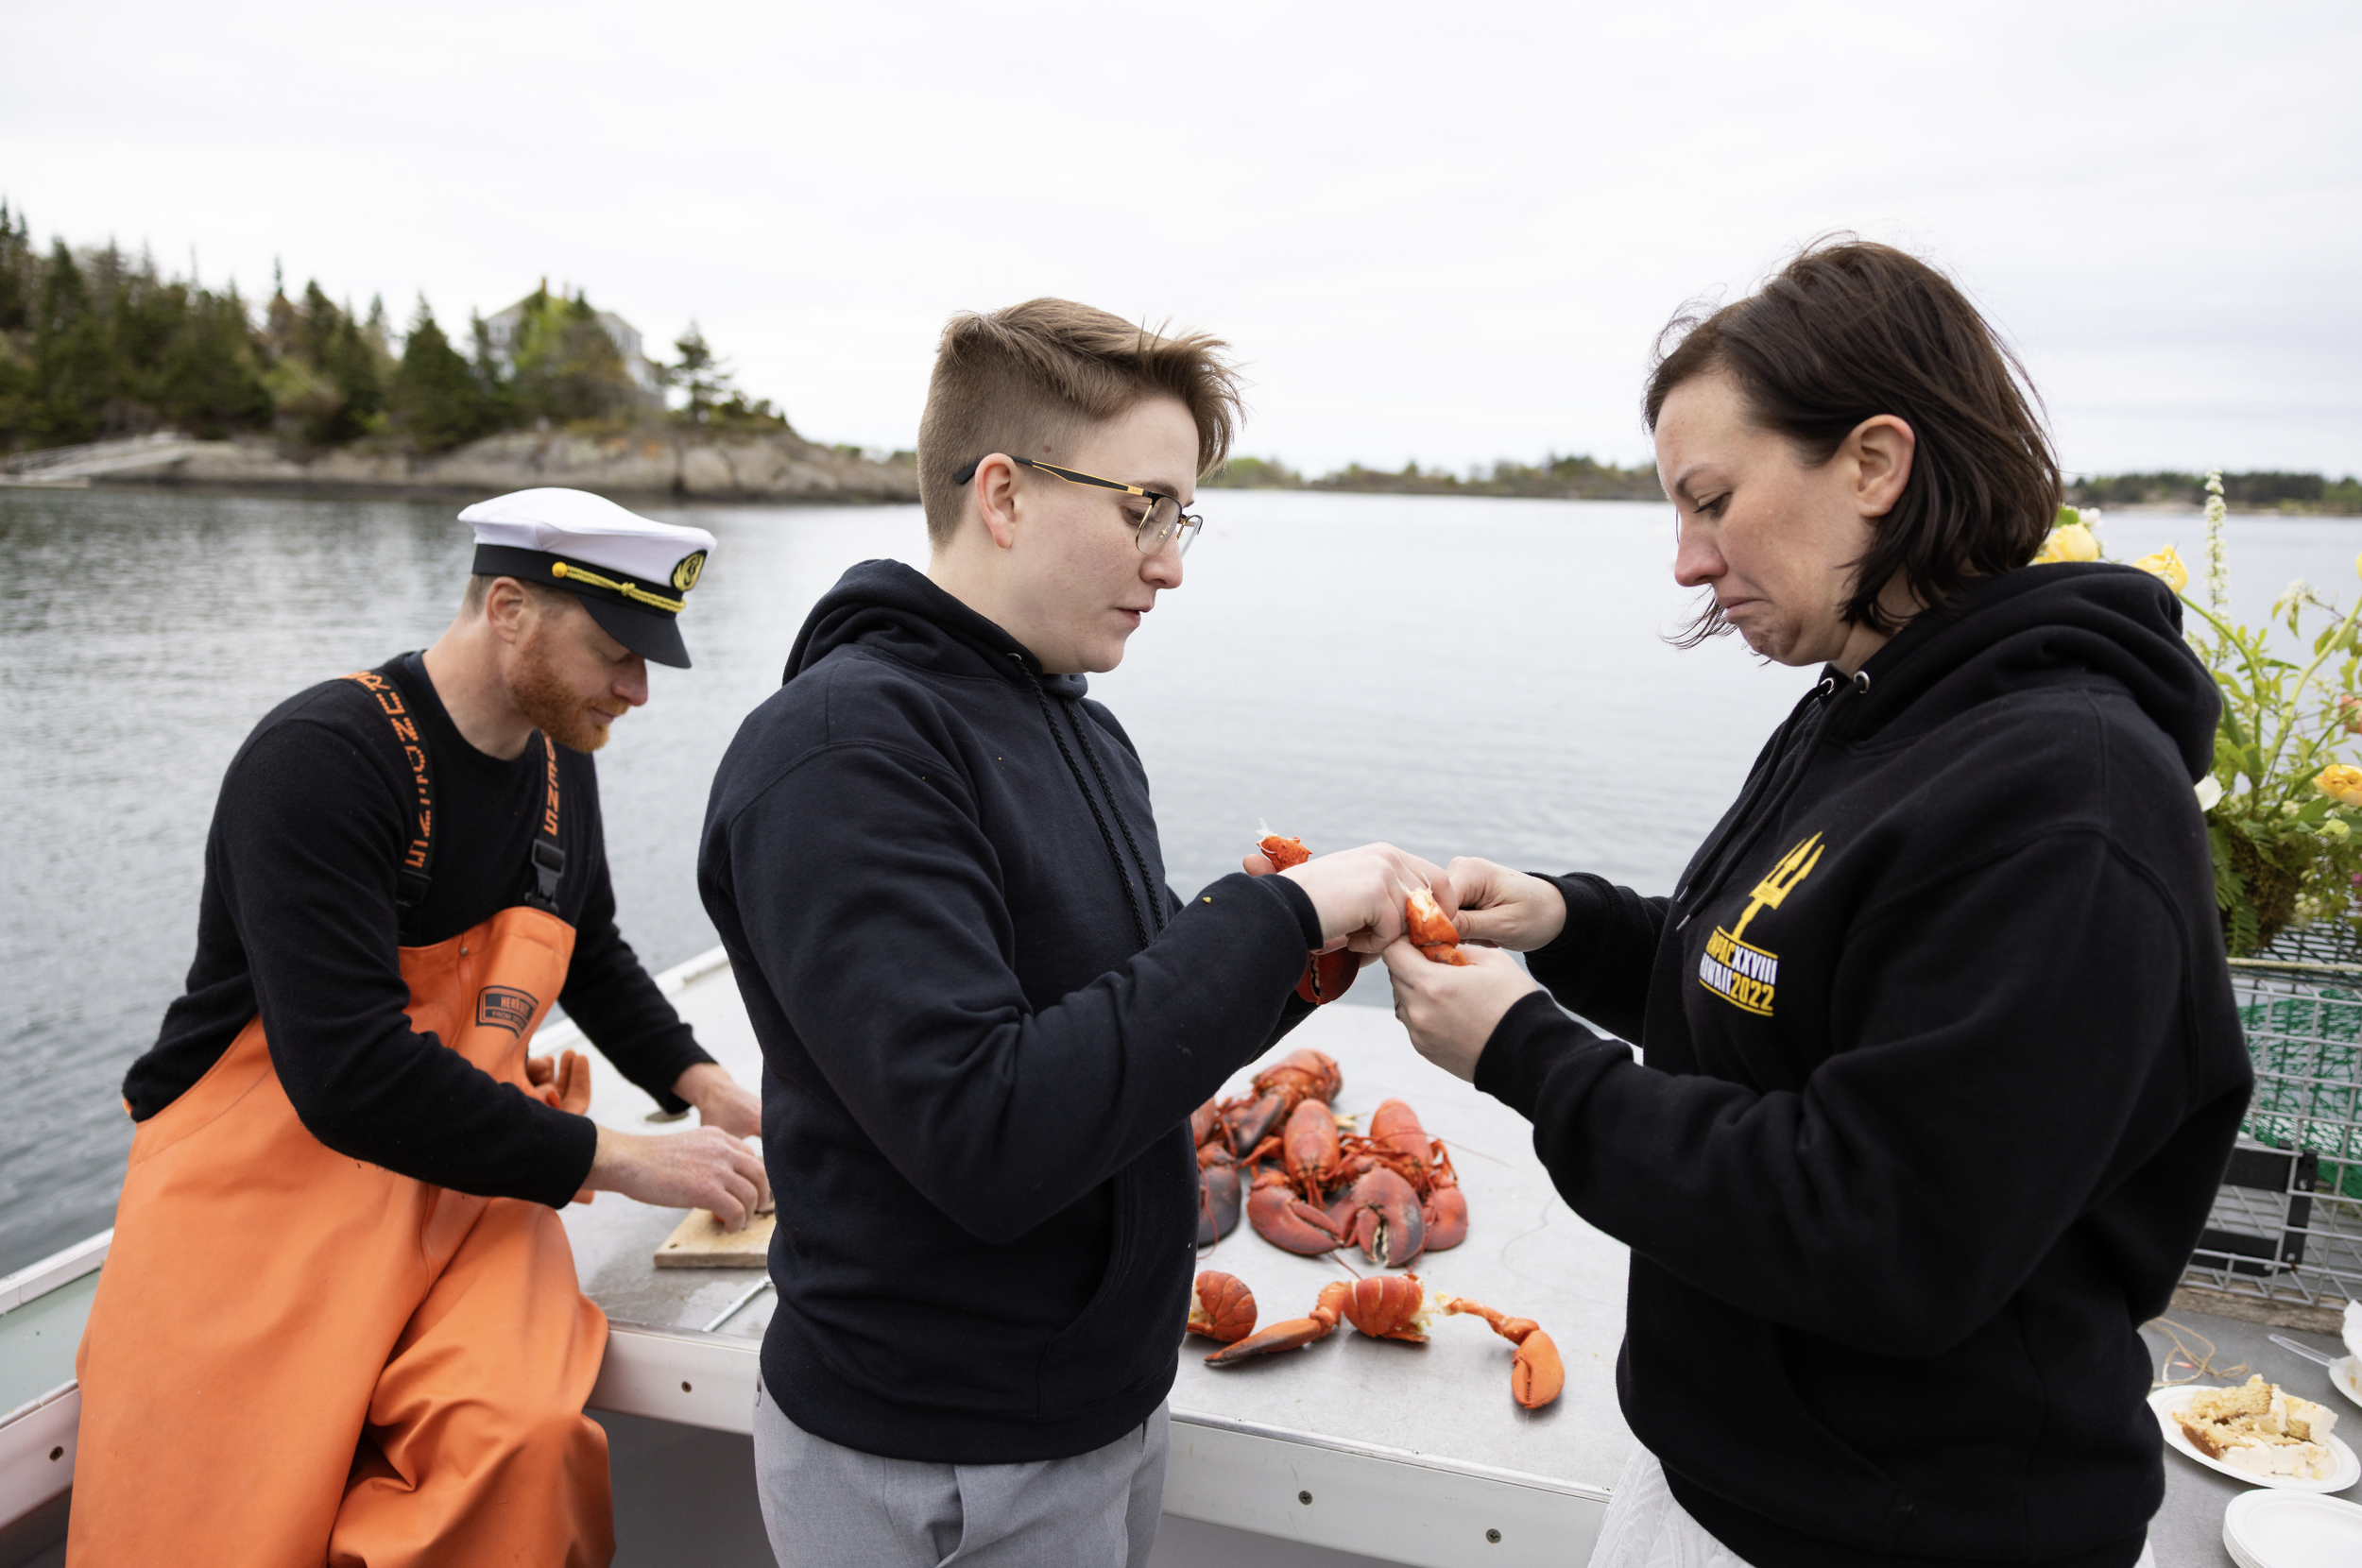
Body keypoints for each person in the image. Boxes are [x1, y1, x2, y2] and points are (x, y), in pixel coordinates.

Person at [1382, 242, 2250, 1568]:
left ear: (1874, 464)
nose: (1685, 561)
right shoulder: (1865, 704)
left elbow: (1886, 1231)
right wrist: (1562, 922)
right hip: (1726, 1472)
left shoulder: (2068, 799)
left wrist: (1524, 1054)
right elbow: (1762, 972)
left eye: (1712, 500)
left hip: (1906, 1526)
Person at [699, 298, 1440, 1568]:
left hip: (1095, 1400)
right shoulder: (843, 753)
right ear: (1005, 494)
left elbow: (1125, 1017)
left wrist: (1311, 952)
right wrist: (1275, 912)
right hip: (932, 1448)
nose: (1172, 561)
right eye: (1144, 507)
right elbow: (987, 1132)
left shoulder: (1079, 728)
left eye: (1183, 516)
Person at [74, 487, 771, 1568]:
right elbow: (347, 1073)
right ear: (508, 608)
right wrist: (624, 1160)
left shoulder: (558, 759)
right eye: (616, 651)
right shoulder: (320, 760)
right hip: (259, 1197)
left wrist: (708, 1085)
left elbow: (585, 948)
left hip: (463, 1191)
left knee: (524, 1443)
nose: (637, 689)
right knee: (205, 1528)